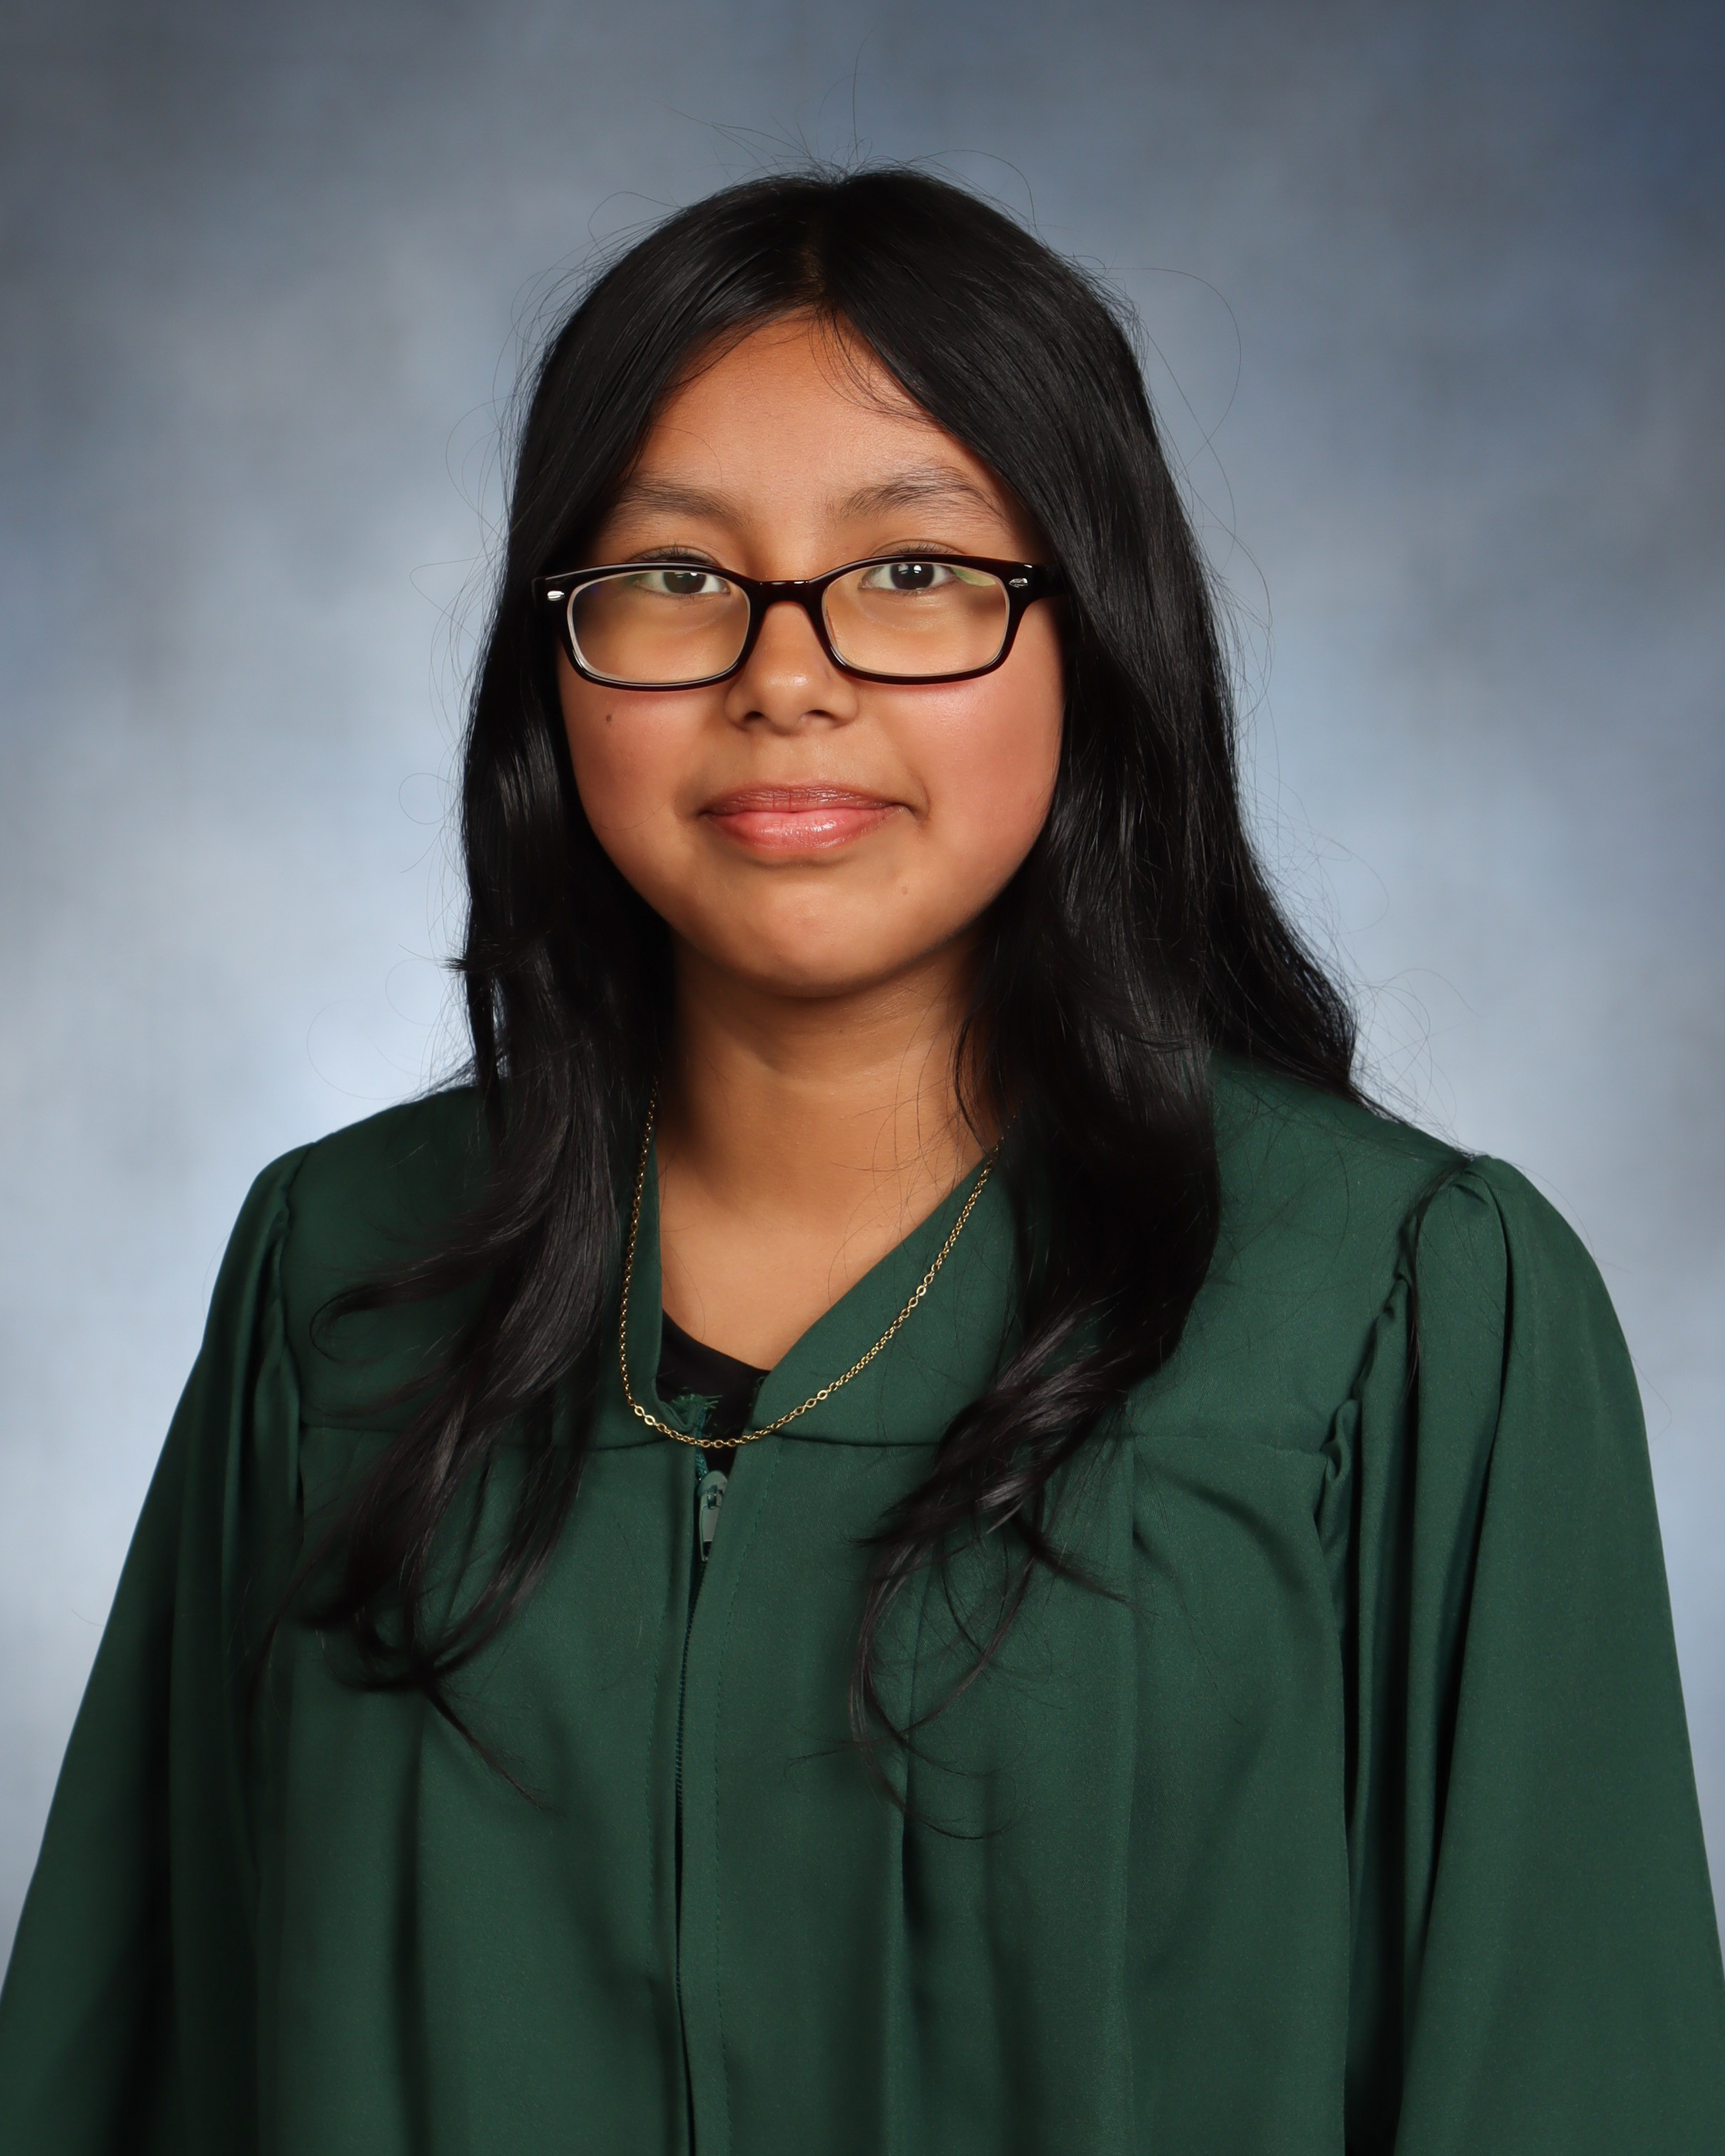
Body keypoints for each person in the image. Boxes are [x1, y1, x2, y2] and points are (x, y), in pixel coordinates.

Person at [0, 167, 1720, 2156]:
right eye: (673, 575)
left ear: (1094, 630)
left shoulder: (1402, 1317)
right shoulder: (339, 1283)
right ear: (556, 657)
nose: (784, 675)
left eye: (913, 570)